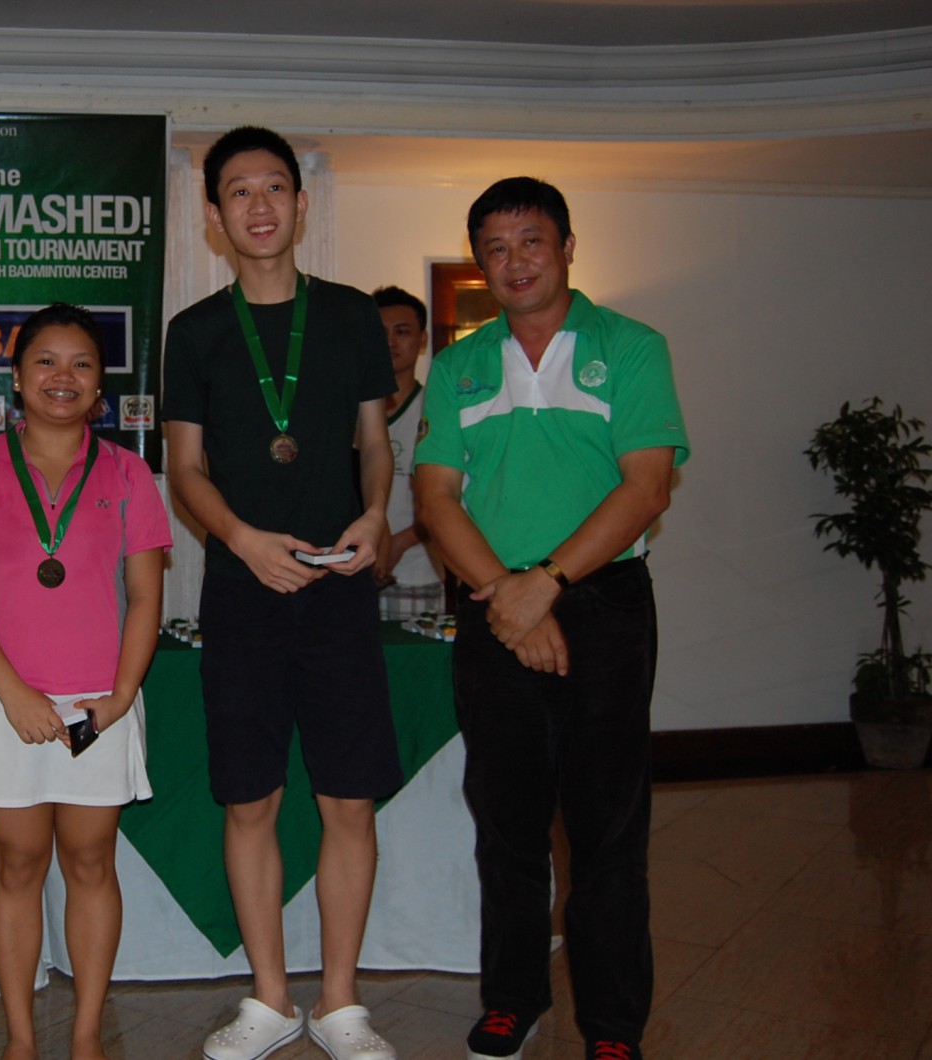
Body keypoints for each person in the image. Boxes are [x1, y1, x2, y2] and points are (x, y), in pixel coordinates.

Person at [414, 177, 689, 1060]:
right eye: (494, 249)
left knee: (608, 825)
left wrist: (549, 581)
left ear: (567, 247)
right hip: (492, 603)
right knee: (506, 822)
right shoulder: (458, 367)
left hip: (603, 604)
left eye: (531, 241)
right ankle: (513, 999)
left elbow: (647, 486)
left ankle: (612, 1025)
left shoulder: (632, 347)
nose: (514, 261)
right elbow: (435, 497)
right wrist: (510, 591)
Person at [164, 126, 402, 1060]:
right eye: (238, 192)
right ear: (214, 217)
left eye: (274, 188)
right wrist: (241, 540)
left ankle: (340, 1002)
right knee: (249, 801)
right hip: (243, 593)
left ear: (302, 205)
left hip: (339, 592)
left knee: (350, 800)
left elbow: (373, 441)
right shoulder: (195, 333)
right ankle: (268, 997)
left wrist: (375, 514)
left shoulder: (349, 316)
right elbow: (185, 468)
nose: (257, 206)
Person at [0, 302, 171, 1060]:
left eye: (81, 364)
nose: (62, 377)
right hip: (5, 700)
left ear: (100, 386)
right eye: (45, 361)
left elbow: (146, 597)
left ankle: (89, 1034)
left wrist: (121, 697)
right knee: (17, 865)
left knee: (92, 862)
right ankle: (21, 1039)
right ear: (17, 376)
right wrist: (14, 692)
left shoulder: (129, 473)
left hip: (102, 702)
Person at [369, 288, 443, 618]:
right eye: (380, 333)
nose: (390, 342)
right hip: (354, 576)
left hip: (417, 574)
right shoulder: (348, 412)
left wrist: (400, 542)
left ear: (422, 339)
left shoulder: (438, 408)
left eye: (402, 332)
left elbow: (453, 495)